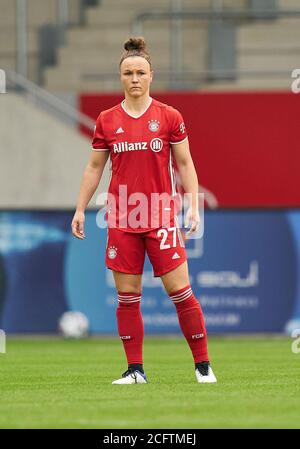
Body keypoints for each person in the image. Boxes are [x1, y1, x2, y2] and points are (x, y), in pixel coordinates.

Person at [71, 37, 217, 385]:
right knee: (127, 297)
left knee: (181, 292)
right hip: (122, 217)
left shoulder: (169, 116)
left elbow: (185, 163)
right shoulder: (107, 120)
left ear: (152, 76)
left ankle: (203, 366)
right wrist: (79, 209)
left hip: (161, 215)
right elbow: (94, 168)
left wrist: (193, 206)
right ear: (120, 78)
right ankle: (135, 370)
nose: (134, 78)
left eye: (140, 72)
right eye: (128, 73)